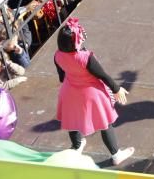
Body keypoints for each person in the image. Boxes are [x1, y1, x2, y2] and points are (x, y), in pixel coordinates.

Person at [53, 18, 134, 164]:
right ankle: (116, 154)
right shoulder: (86, 57)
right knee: (105, 122)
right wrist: (117, 89)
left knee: (72, 119)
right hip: (91, 93)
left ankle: (77, 146)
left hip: (69, 91)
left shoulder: (57, 55)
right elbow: (102, 75)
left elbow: (62, 76)